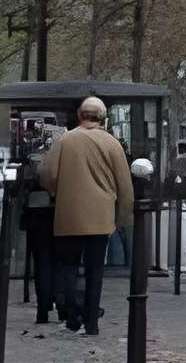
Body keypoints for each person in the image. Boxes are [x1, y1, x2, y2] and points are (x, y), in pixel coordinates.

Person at [40, 96, 134, 337]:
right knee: (95, 271)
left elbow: (48, 174)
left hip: (69, 214)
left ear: (80, 116)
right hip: (101, 217)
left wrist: (56, 190)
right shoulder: (112, 143)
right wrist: (124, 217)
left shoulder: (65, 140)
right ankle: (92, 322)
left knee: (68, 268)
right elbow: (125, 185)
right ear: (104, 118)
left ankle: (72, 316)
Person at [17, 123, 58, 324]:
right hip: (58, 212)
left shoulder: (33, 159)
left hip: (36, 213)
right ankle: (60, 305)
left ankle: (44, 308)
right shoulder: (60, 156)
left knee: (42, 262)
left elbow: (24, 185)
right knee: (61, 262)